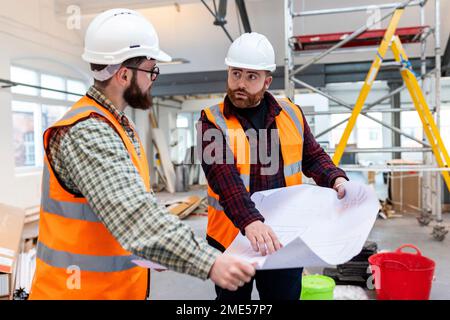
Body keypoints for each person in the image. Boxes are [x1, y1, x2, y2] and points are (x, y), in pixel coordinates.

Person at [29, 9, 255, 300]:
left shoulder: (120, 126)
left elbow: (132, 206)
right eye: (151, 70)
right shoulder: (88, 133)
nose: (154, 78)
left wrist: (160, 249)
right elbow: (134, 217)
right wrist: (210, 261)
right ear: (124, 74)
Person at [198, 32, 348, 300]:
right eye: (235, 73)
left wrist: (336, 179)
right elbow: (224, 178)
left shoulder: (291, 113)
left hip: (283, 239)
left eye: (251, 76)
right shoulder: (211, 121)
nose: (240, 83)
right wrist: (251, 221)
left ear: (267, 81)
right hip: (232, 239)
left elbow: (312, 156)